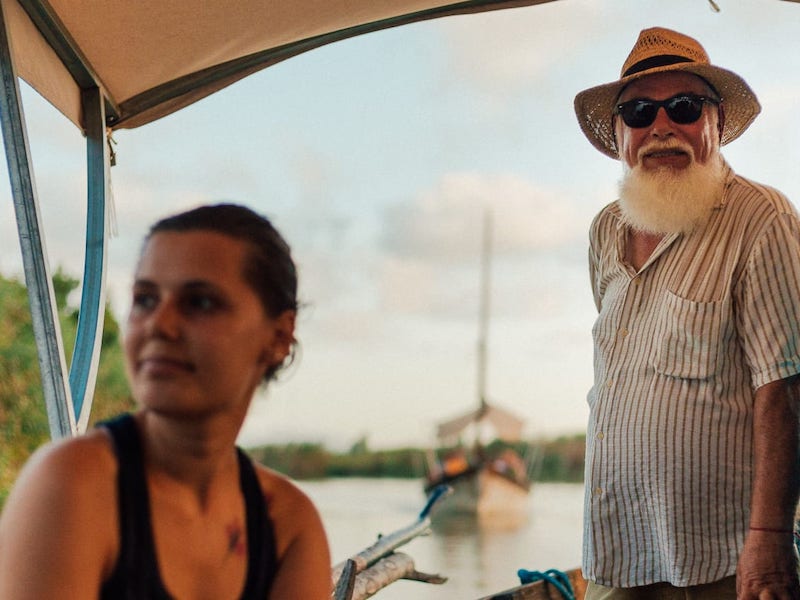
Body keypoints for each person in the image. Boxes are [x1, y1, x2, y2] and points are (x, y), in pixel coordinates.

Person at [0, 204, 332, 599]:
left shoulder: (286, 525)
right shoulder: (74, 484)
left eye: (200, 302)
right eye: (145, 299)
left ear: (278, 337)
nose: (160, 323)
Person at [574, 27, 800, 600]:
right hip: (614, 548)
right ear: (621, 134)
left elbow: (785, 389)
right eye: (640, 112)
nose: (662, 127)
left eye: (683, 107)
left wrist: (771, 539)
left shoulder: (762, 218)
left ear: (716, 123)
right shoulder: (605, 230)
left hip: (721, 560)